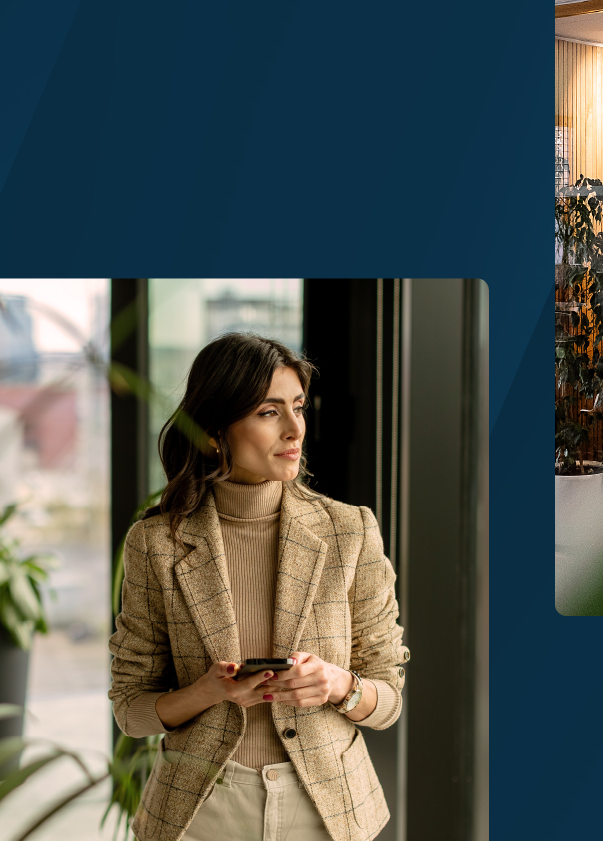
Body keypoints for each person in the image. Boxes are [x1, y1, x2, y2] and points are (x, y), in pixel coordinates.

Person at [108, 333, 407, 841]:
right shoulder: (156, 542)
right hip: (201, 812)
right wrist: (206, 692)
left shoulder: (349, 531)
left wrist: (337, 684)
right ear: (213, 433)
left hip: (328, 813)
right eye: (269, 412)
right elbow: (131, 710)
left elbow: (390, 699)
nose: (295, 430)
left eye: (298, 407)